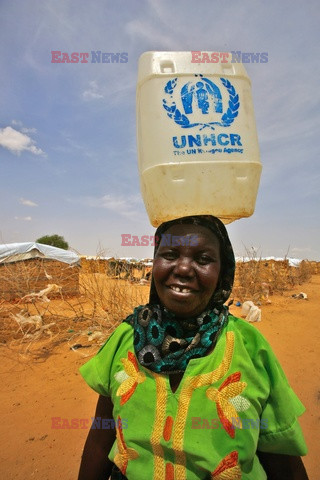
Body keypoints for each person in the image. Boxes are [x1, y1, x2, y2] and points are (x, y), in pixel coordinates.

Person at [78, 215, 308, 480]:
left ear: (223, 272)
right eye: (170, 254)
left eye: (203, 259)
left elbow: (282, 460)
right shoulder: (126, 337)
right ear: (155, 263)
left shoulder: (249, 347)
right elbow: (101, 437)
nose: (184, 269)